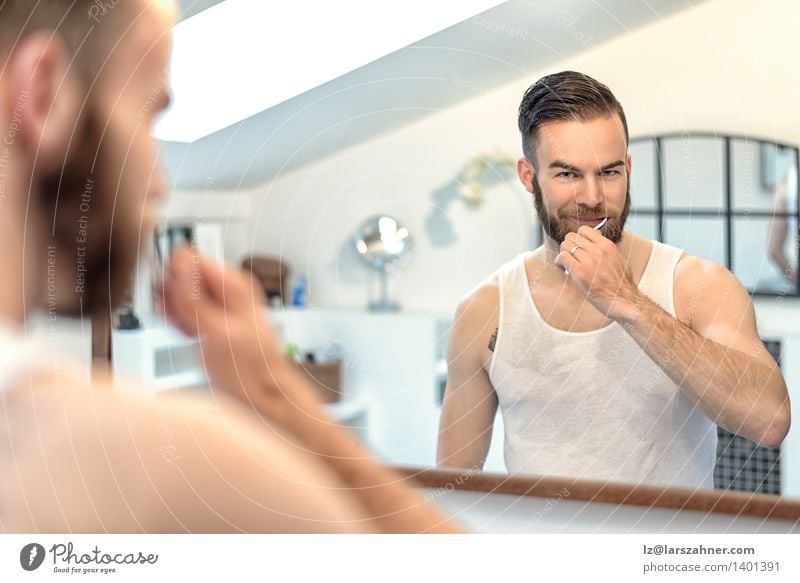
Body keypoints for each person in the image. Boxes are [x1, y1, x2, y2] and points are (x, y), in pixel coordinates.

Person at [0, 0, 460, 533]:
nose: (159, 184)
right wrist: (272, 393)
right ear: (46, 93)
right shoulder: (156, 476)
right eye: (149, 114)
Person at [437, 71, 791, 489]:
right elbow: (452, 488)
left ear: (628, 168)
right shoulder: (485, 310)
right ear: (529, 176)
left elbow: (769, 421)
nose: (591, 197)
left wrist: (626, 300)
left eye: (608, 173)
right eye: (567, 174)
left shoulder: (698, 286)